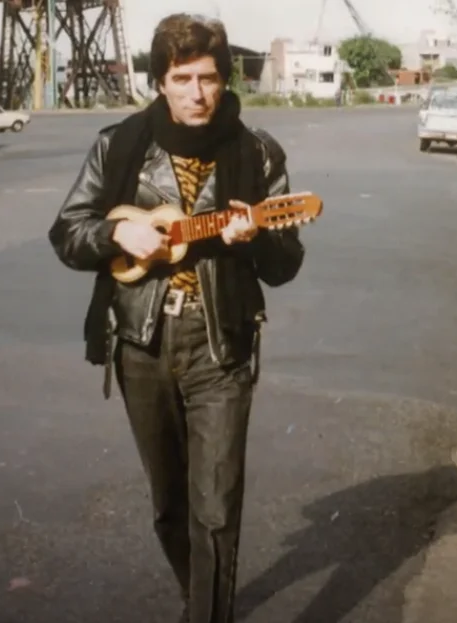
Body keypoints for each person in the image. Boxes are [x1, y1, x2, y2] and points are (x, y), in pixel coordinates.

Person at [47, 13, 304, 623]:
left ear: (224, 79)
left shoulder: (257, 153)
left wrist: (249, 239)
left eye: (209, 78)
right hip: (141, 341)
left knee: (214, 510)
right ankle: (203, 597)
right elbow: (67, 233)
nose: (198, 93)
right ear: (159, 80)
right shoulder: (120, 146)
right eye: (183, 78)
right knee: (169, 506)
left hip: (221, 345)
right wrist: (118, 231)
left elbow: (286, 261)